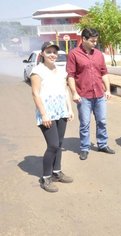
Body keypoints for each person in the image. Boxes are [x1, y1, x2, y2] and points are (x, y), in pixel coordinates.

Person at [30, 41, 74, 192]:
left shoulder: (61, 71)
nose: (52, 55)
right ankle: (46, 177)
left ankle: (56, 172)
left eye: (54, 52)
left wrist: (70, 109)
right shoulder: (37, 71)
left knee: (60, 144)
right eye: (48, 52)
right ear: (42, 54)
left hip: (61, 111)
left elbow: (65, 90)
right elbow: (35, 93)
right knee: (53, 145)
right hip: (47, 113)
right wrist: (43, 114)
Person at [66, 28, 115, 160]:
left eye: (96, 41)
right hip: (83, 96)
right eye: (92, 41)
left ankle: (102, 144)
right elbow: (70, 75)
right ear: (84, 39)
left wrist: (108, 90)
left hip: (99, 94)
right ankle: (84, 147)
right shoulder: (73, 54)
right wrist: (74, 93)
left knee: (102, 121)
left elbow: (104, 73)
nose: (95, 43)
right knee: (85, 124)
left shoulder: (99, 54)